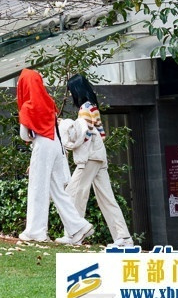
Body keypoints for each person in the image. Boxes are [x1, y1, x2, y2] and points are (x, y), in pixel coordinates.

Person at [17, 67, 94, 245]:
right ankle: (78, 227)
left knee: (38, 187)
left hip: (42, 145)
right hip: (56, 145)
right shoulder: (48, 101)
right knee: (57, 190)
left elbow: (24, 135)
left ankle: (35, 231)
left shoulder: (28, 106)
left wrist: (31, 135)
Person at [57, 73, 134, 248]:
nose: (70, 95)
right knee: (107, 198)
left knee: (74, 192)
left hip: (89, 157)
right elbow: (101, 134)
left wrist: (64, 125)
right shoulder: (92, 106)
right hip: (99, 156)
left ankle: (74, 233)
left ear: (76, 90)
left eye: (70, 91)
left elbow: (84, 134)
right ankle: (123, 238)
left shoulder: (84, 109)